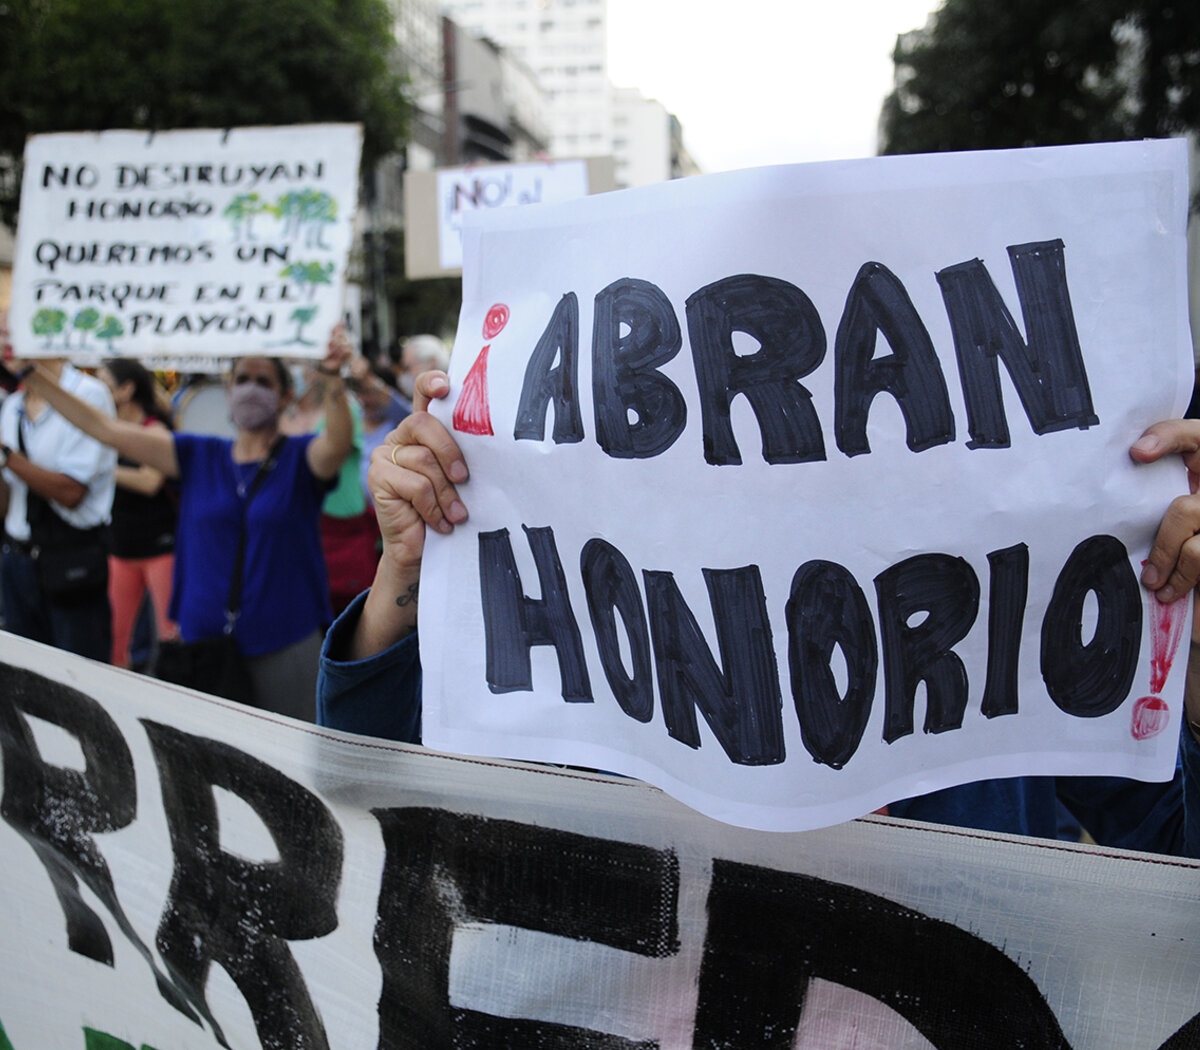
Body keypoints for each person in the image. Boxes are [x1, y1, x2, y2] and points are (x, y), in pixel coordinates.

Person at [317, 372, 1200, 855]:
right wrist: (410, 567)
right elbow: (368, 785)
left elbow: (1178, 842)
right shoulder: (609, 635)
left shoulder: (1008, 629)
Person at [24, 333, 354, 720]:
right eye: (242, 379)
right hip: (203, 645)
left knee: (290, 751)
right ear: (228, 391)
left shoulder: (300, 458)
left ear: (285, 396)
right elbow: (104, 429)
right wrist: (29, 373)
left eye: (263, 381)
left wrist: (333, 379)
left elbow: (337, 443)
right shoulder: (199, 455)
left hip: (284, 644)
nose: (250, 389)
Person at [0, 357, 117, 662]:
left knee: (75, 674)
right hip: (17, 559)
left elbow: (71, 492)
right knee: (22, 673)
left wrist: (6, 457)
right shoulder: (12, 405)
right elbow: (6, 502)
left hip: (71, 560)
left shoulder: (88, 394)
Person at [99, 358, 180, 668]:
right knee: (115, 640)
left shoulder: (154, 430)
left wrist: (102, 471)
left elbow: (149, 481)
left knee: (170, 636)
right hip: (121, 548)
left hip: (160, 549)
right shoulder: (108, 430)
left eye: (104, 384)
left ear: (126, 390)